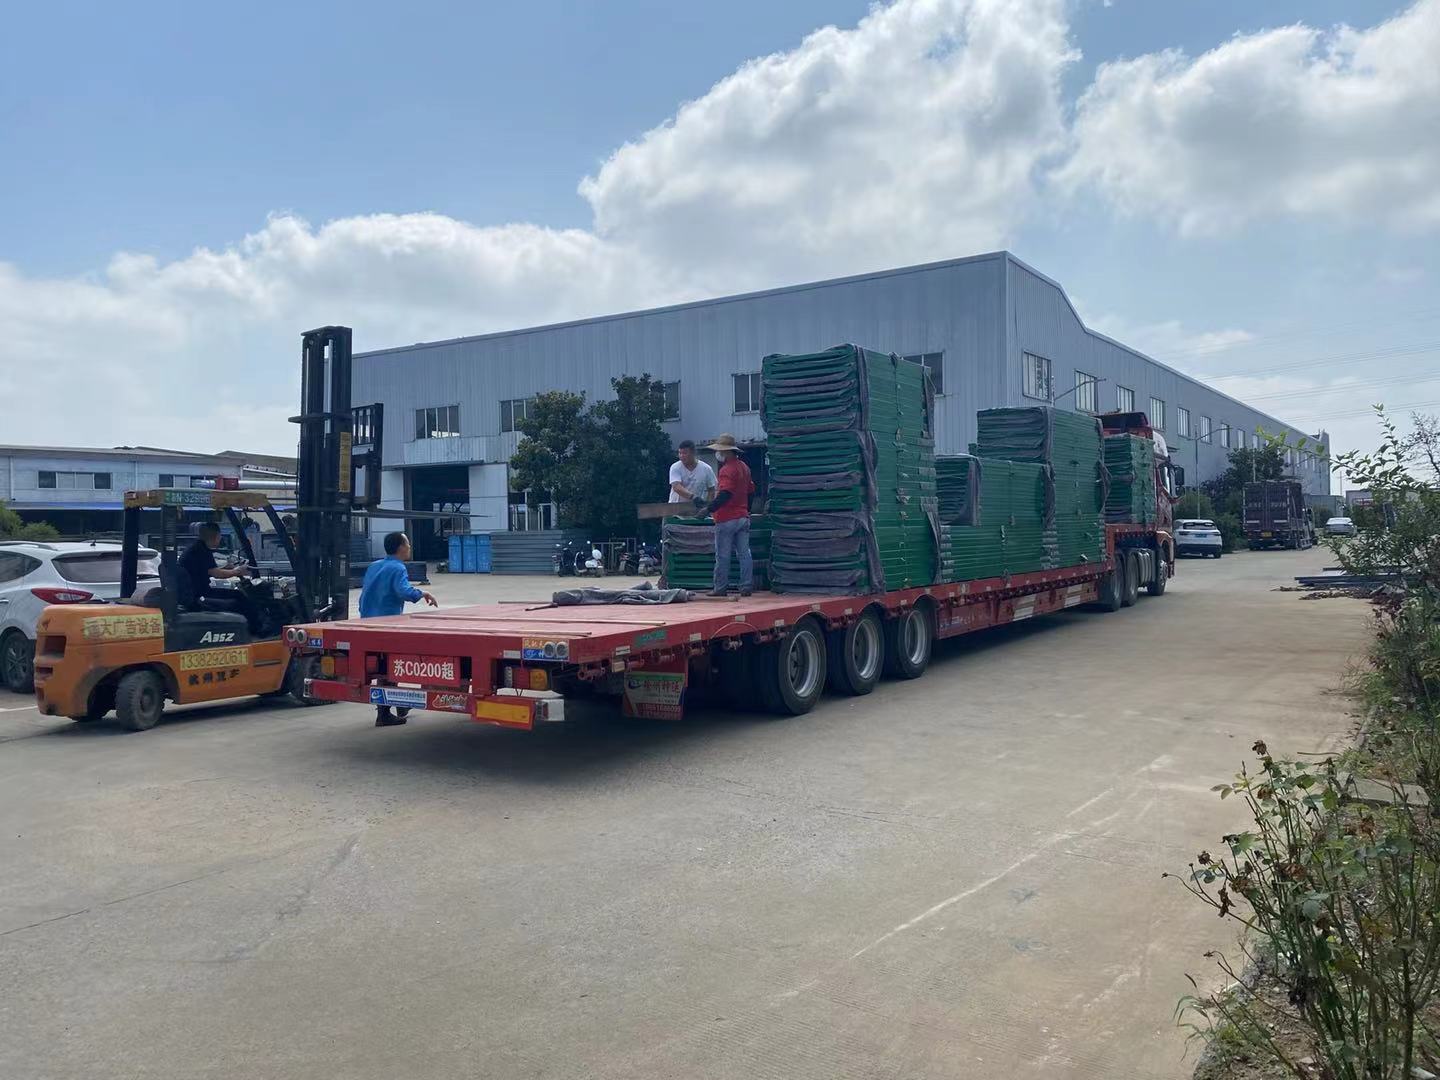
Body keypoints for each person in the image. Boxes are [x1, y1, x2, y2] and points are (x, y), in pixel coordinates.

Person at [360, 532, 438, 727]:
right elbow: (403, 591)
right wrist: (423, 593)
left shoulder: (374, 566)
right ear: (401, 547)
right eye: (407, 543)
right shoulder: (398, 567)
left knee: (382, 666)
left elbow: (364, 595)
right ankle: (384, 714)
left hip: (367, 623)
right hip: (387, 625)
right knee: (389, 668)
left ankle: (399, 705)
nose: (409, 547)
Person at [697, 434, 754, 596]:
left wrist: (708, 509)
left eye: (720, 451)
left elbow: (725, 494)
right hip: (743, 517)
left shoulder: (726, 470)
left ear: (727, 452)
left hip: (727, 518)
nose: (719, 454)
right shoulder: (744, 467)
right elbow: (751, 491)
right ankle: (746, 586)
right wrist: (747, 510)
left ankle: (720, 588)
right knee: (744, 553)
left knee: (722, 555)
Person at [179, 522, 261, 631]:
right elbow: (216, 573)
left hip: (196, 591)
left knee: (236, 595)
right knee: (239, 597)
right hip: (200, 594)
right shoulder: (201, 551)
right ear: (217, 536)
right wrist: (237, 571)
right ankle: (256, 629)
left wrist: (228, 567)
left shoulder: (196, 548)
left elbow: (207, 568)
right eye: (220, 535)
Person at [668, 439, 716, 505]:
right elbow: (676, 487)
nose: (681, 456)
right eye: (680, 453)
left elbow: (711, 489)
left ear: (693, 453)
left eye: (684, 453)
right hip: (675, 507)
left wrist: (708, 506)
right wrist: (693, 497)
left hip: (696, 507)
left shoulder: (706, 469)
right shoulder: (675, 467)